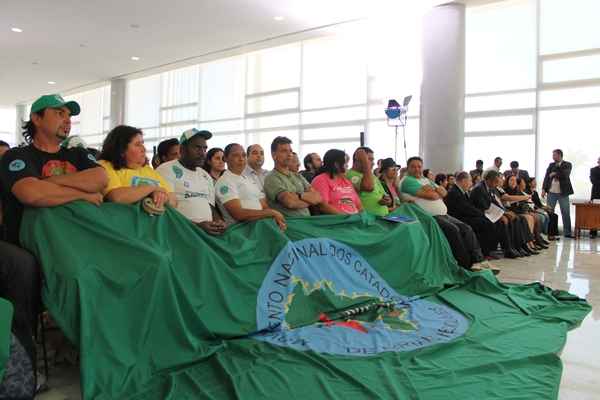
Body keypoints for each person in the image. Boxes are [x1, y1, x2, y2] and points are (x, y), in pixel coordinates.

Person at [0, 93, 108, 381]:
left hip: (82, 237)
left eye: (69, 115)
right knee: (71, 275)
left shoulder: (76, 153)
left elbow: (100, 180)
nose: (67, 120)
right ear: (36, 118)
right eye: (59, 113)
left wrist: (49, 184)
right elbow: (31, 193)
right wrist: (81, 196)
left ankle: (101, 347)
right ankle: (24, 363)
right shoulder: (17, 156)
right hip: (32, 242)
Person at [400, 157, 487, 270]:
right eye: (413, 166)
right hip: (428, 217)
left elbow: (444, 192)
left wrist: (431, 190)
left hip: (443, 214)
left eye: (419, 166)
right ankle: (464, 265)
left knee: (466, 228)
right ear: (408, 168)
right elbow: (433, 195)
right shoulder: (407, 181)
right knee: (453, 230)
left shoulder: (425, 180)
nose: (417, 169)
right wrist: (434, 191)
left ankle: (478, 260)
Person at [156, 128, 225, 235]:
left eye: (204, 149)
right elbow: (166, 210)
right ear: (182, 149)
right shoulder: (166, 170)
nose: (202, 153)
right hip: (181, 232)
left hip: (208, 233)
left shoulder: (205, 175)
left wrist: (219, 222)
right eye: (197, 148)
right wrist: (197, 226)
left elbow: (210, 205)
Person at [98, 125, 176, 208]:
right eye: (137, 144)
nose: (144, 149)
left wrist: (163, 198)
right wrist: (152, 189)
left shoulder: (147, 169)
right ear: (121, 149)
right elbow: (117, 197)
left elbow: (174, 201)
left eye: (142, 143)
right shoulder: (105, 165)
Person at [216, 143, 285, 229]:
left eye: (243, 155)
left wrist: (273, 218)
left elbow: (263, 205)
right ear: (225, 158)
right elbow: (238, 214)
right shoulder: (225, 181)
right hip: (242, 230)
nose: (241, 159)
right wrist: (271, 213)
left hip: (261, 224)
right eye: (236, 155)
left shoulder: (248, 178)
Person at [445, 172, 501, 261]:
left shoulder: (461, 191)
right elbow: (466, 209)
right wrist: (482, 214)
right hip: (458, 218)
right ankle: (484, 252)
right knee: (485, 223)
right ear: (463, 181)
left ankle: (487, 250)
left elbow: (469, 207)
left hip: (465, 215)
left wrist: (482, 214)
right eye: (470, 181)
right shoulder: (454, 192)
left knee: (487, 221)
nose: (471, 183)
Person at [264, 136, 321, 217]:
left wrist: (297, 197)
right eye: (284, 151)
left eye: (290, 151)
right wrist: (307, 198)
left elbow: (317, 197)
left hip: (308, 222)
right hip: (290, 224)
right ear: (274, 155)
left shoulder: (297, 175)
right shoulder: (271, 178)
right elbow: (290, 203)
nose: (289, 154)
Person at [470, 171, 522, 259]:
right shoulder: (479, 188)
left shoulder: (490, 187)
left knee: (511, 218)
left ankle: (513, 247)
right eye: (496, 182)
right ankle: (499, 250)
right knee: (501, 222)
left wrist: (504, 212)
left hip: (489, 212)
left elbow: (494, 202)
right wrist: (501, 215)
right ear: (489, 180)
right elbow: (485, 206)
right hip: (480, 213)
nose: (497, 184)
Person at [311, 149, 362, 215]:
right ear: (336, 164)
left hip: (355, 220)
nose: (347, 166)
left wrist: (362, 218)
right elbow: (323, 206)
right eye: (345, 163)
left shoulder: (346, 181)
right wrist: (346, 218)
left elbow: (359, 206)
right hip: (338, 222)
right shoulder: (321, 180)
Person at [346, 147, 391, 217]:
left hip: (383, 217)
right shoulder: (349, 175)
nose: (373, 163)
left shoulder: (371, 176)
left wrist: (387, 200)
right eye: (369, 159)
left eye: (373, 160)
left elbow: (384, 195)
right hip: (367, 220)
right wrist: (365, 162)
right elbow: (368, 187)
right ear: (358, 159)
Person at [541, 149, 574, 238]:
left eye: (554, 155)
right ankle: (549, 232)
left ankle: (567, 233)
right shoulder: (551, 165)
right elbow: (547, 177)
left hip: (563, 193)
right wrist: (543, 189)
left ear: (559, 155)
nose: (553, 157)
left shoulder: (567, 164)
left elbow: (565, 175)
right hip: (551, 192)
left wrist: (554, 173)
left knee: (565, 212)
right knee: (549, 212)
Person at [590, 157, 600, 237]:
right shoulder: (593, 170)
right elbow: (593, 181)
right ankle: (593, 233)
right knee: (593, 213)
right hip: (596, 193)